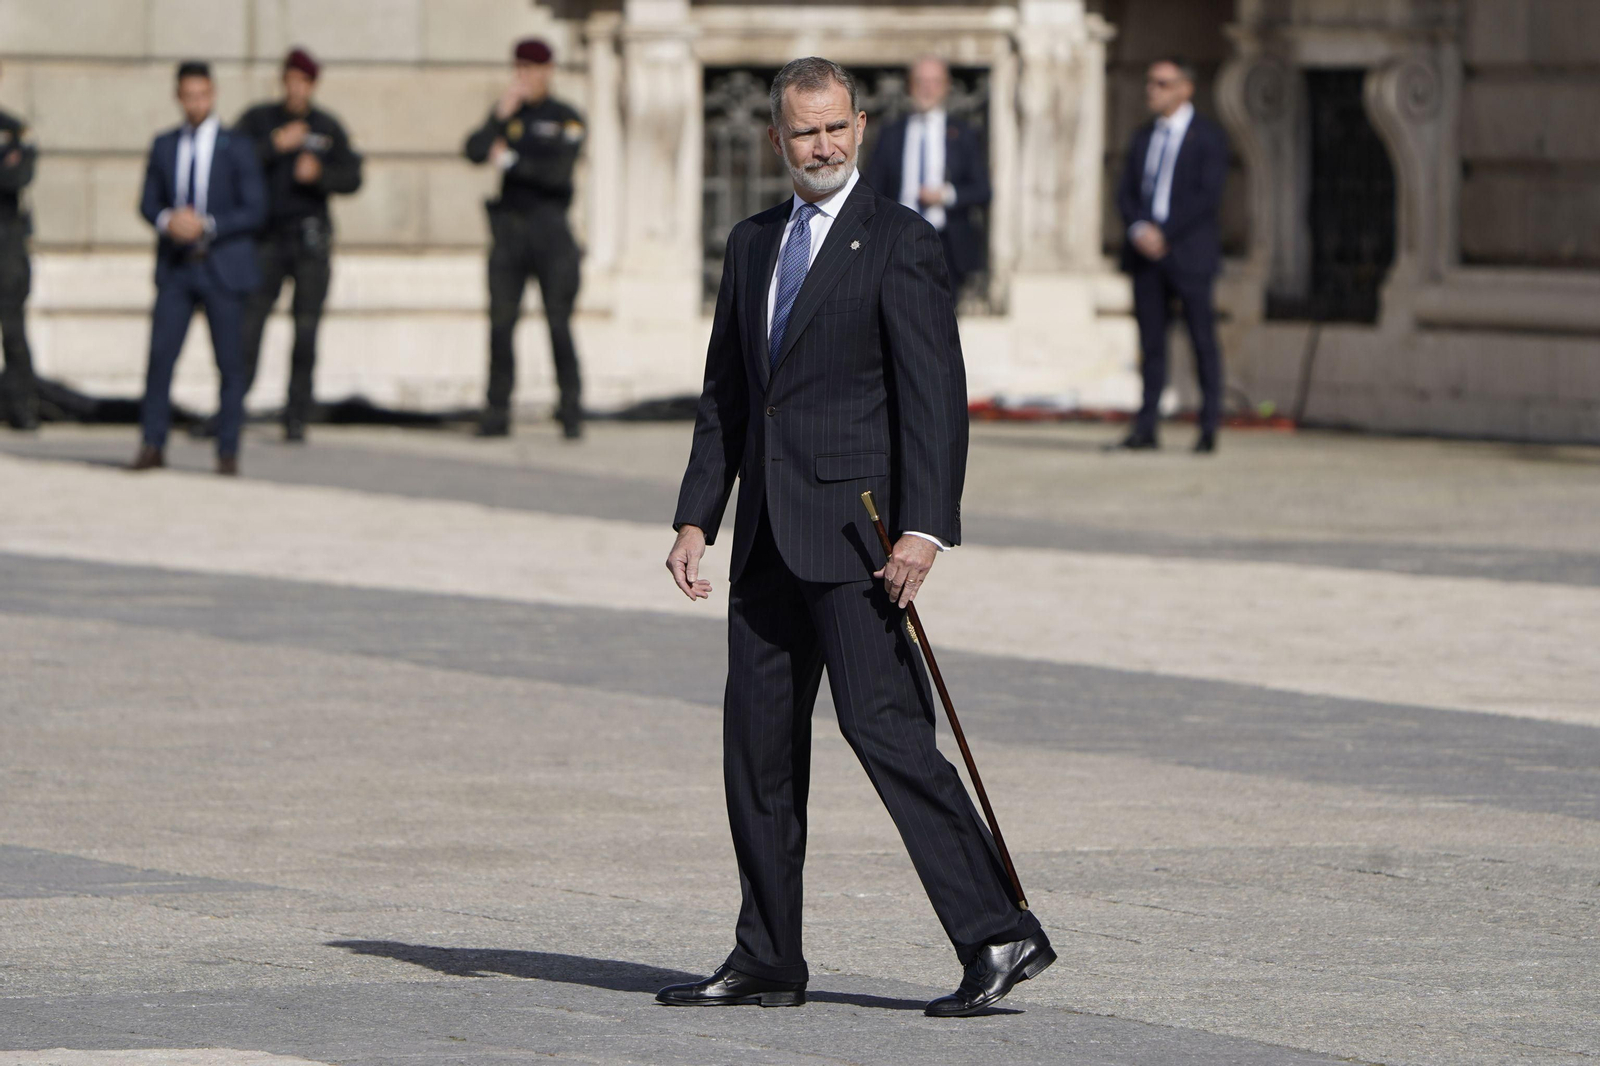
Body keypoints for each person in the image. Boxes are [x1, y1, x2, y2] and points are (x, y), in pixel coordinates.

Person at [659, 56, 1052, 1019]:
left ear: (861, 126)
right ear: (777, 141)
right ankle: (767, 956)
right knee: (754, 752)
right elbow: (727, 394)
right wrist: (696, 513)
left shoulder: (900, 242)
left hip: (859, 537)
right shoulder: (751, 245)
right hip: (762, 546)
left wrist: (925, 529)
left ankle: (998, 932)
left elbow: (935, 400)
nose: (823, 146)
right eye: (805, 132)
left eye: (836, 128)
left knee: (888, 737)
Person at [131, 61, 266, 475]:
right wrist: (169, 221)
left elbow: (256, 208)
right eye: (188, 95)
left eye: (202, 95)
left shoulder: (237, 146)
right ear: (178, 96)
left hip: (221, 267)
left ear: (213, 94)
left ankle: (228, 450)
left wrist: (207, 225)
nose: (195, 103)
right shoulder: (164, 145)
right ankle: (153, 443)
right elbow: (147, 202)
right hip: (177, 268)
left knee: (229, 363)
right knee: (160, 359)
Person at [235, 47, 363, 443]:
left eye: (303, 82)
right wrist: (275, 145)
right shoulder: (260, 120)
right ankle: (231, 405)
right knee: (248, 326)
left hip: (309, 240)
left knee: (306, 330)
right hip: (267, 239)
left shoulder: (326, 126)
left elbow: (353, 176)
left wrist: (320, 174)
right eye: (290, 80)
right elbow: (232, 161)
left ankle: (296, 414)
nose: (296, 88)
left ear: (313, 85)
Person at [463, 38, 585, 440]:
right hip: (510, 232)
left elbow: (557, 175)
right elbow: (474, 150)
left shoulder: (566, 118)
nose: (524, 78)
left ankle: (570, 410)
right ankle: (496, 412)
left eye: (532, 70)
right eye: (519, 70)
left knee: (557, 322)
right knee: (501, 324)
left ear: (547, 71)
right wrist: (499, 116)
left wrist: (512, 161)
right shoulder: (508, 115)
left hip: (550, 232)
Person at [1111, 57, 1229, 454]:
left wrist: (1166, 231)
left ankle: (1208, 425)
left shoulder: (1208, 137)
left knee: (1202, 341)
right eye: (1150, 83)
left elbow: (1207, 196)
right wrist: (1139, 228)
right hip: (1146, 256)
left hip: (1189, 254)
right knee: (1151, 344)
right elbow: (1125, 191)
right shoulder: (1144, 136)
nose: (1152, 90)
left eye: (1161, 83)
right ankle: (1147, 425)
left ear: (1185, 88)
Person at [863, 55, 990, 302]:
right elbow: (872, 188)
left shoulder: (963, 133)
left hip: (946, 244)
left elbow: (982, 190)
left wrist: (946, 195)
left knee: (942, 326)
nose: (927, 88)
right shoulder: (891, 132)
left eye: (934, 81)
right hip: (898, 242)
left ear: (945, 86)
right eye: (920, 81)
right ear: (910, 85)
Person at [0, 62, 39, 431]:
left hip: (6, 250)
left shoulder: (12, 130)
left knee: (13, 333)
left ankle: (21, 406)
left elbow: (16, 177)